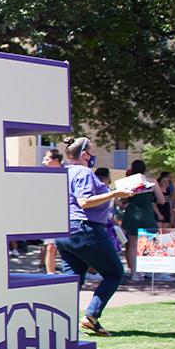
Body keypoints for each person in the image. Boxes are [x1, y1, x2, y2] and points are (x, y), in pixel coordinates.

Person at [55, 138, 131, 337]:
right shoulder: (83, 172)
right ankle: (91, 316)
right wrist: (115, 193)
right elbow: (84, 201)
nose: (95, 154)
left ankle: (58, 323)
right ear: (85, 155)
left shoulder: (63, 172)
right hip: (85, 230)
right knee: (115, 272)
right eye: (93, 150)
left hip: (64, 232)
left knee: (72, 281)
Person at [120, 160, 160, 274]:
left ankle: (134, 272)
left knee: (132, 245)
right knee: (149, 243)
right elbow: (161, 200)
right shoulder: (152, 182)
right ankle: (148, 270)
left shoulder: (128, 182)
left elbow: (123, 199)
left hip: (132, 214)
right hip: (147, 214)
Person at [41, 149, 65, 273]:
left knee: (68, 248)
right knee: (50, 246)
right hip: (52, 217)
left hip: (68, 217)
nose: (43, 162)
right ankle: (50, 274)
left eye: (46, 159)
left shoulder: (68, 174)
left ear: (56, 160)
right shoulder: (44, 177)